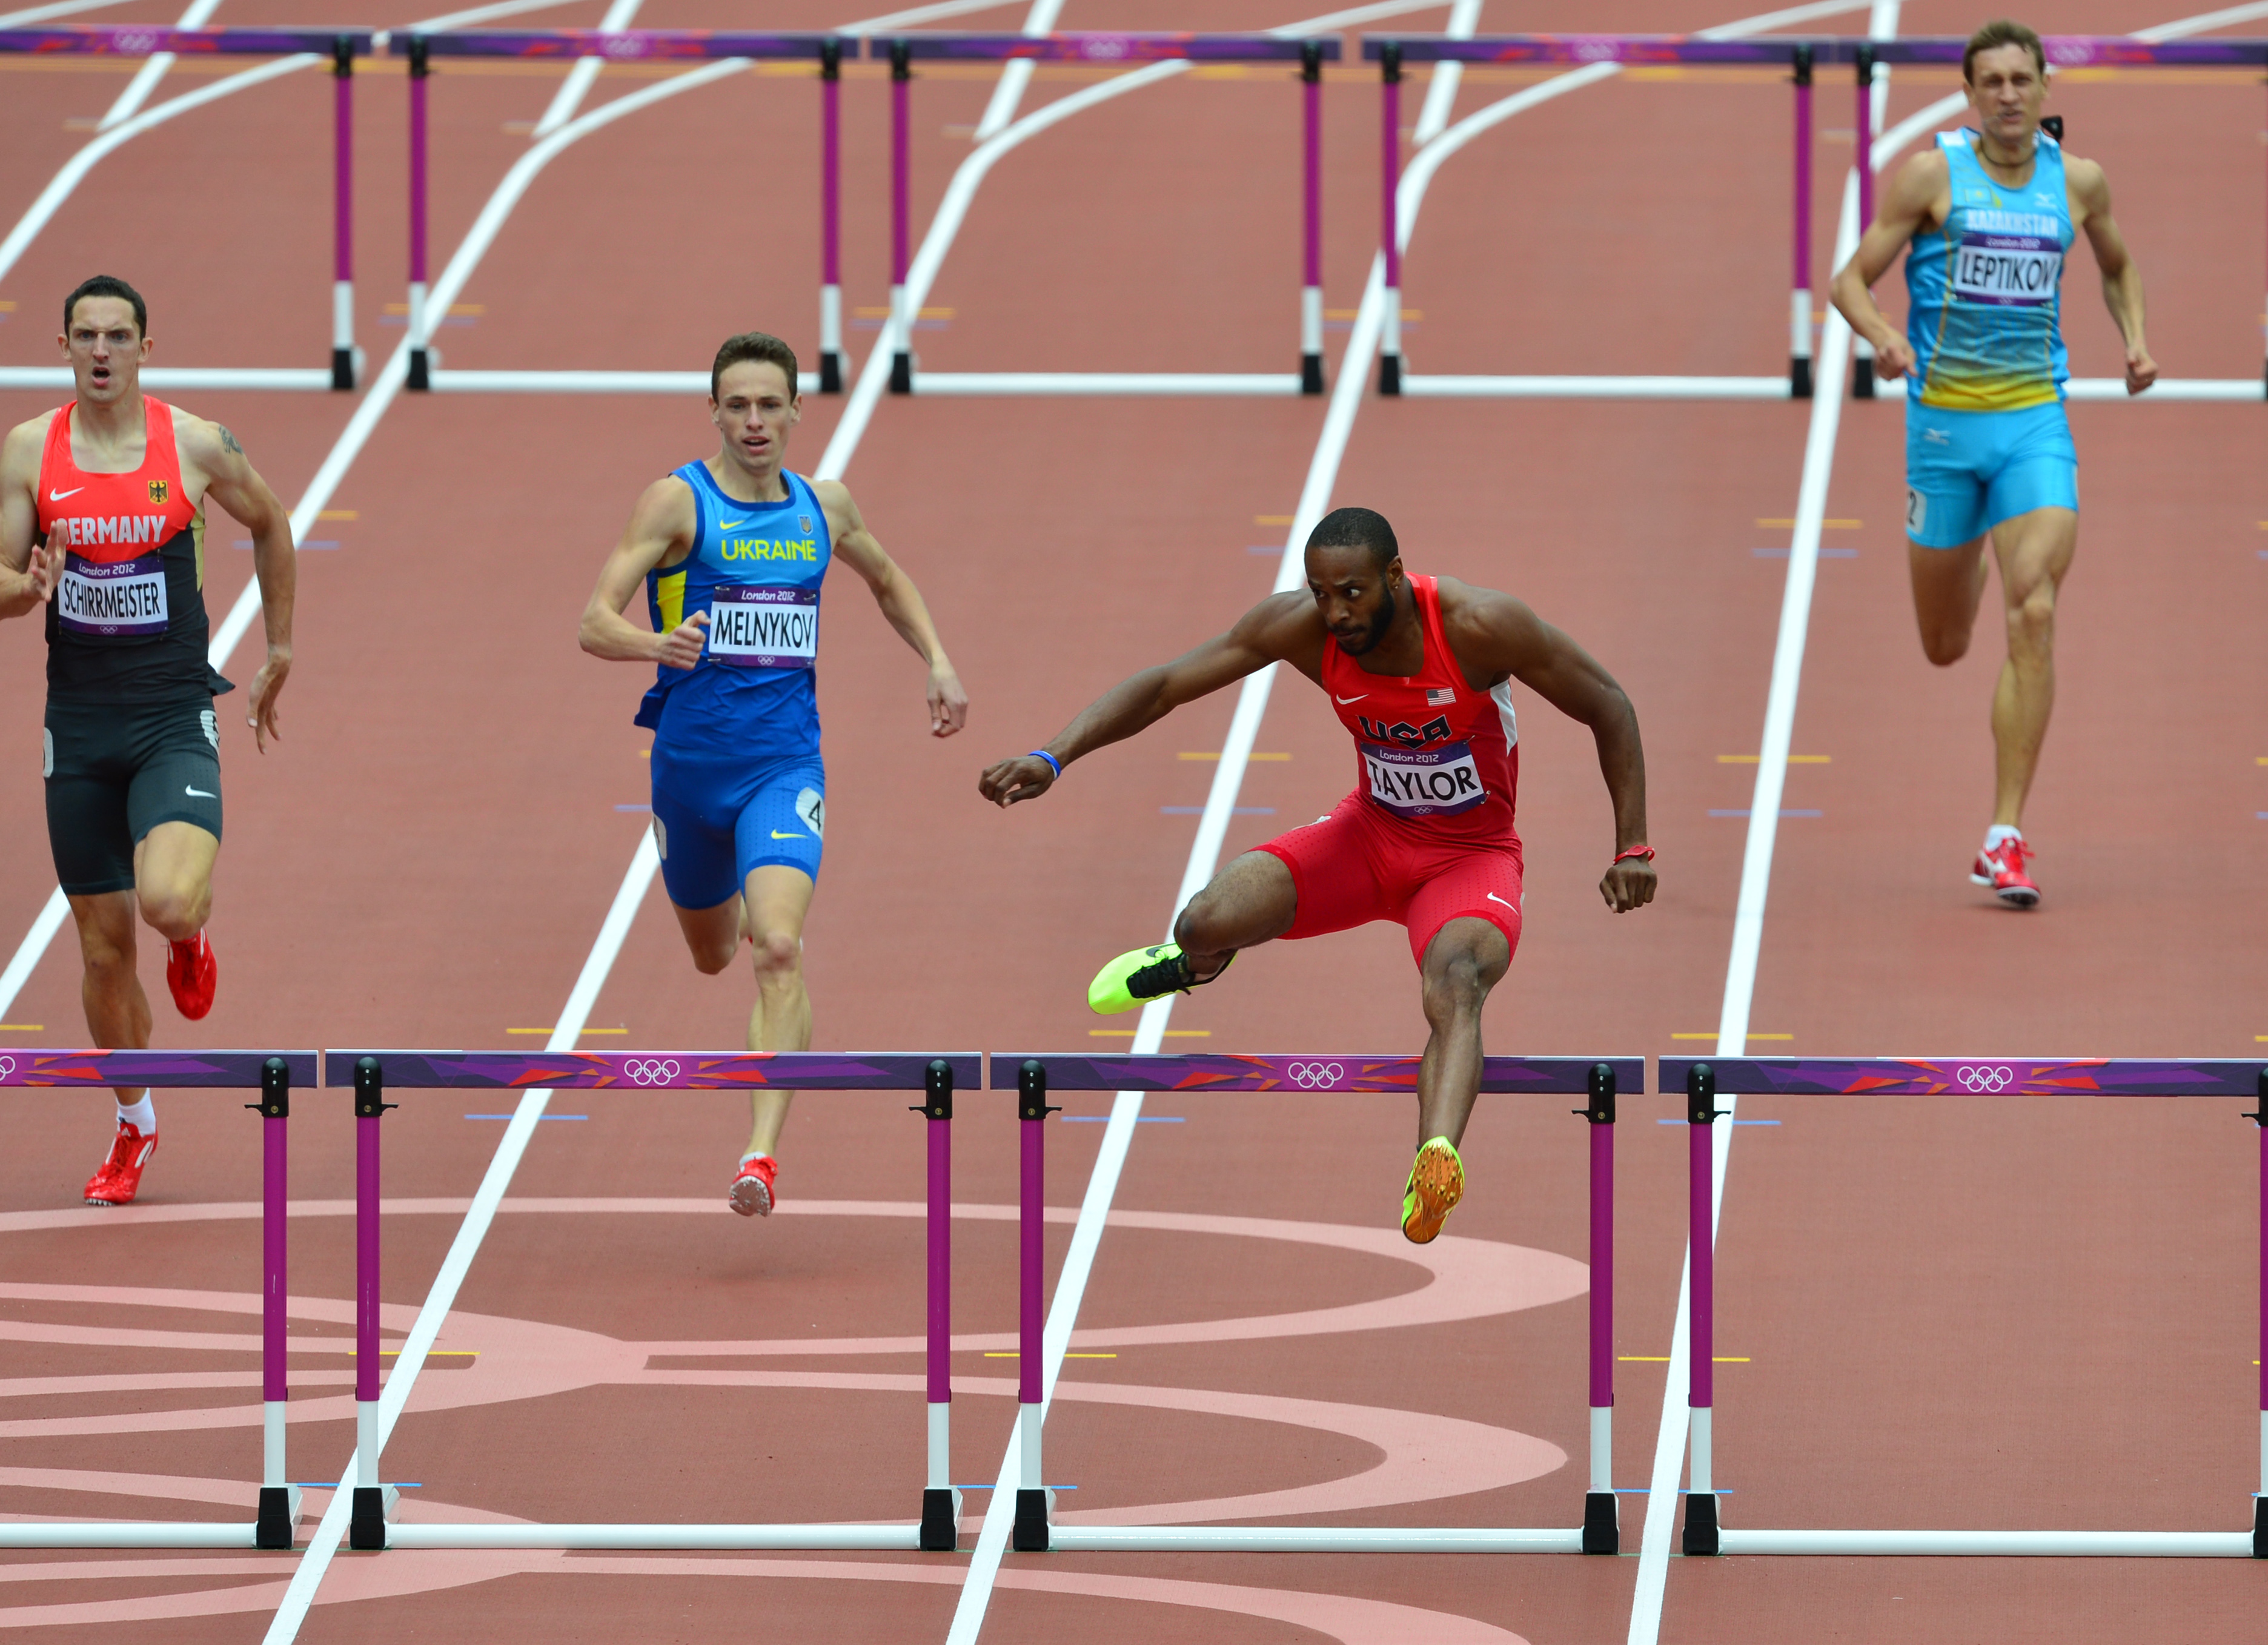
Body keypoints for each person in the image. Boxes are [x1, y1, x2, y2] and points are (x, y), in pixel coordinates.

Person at [978, 507, 1653, 1243]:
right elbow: (1168, 684)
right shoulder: (1302, 627)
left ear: (1395, 576)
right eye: (1322, 593)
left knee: (1456, 981)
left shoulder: (1479, 626)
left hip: (1469, 858)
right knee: (1203, 918)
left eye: (1354, 593)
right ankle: (1195, 964)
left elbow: (1608, 704)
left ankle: (1436, 1159)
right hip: (1369, 837)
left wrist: (1632, 848)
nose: (1337, 613)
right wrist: (1054, 755)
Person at [580, 331, 967, 1217]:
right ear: (713, 412)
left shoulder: (822, 508)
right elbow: (592, 621)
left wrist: (937, 659)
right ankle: (690, 854)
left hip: (784, 768)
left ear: (798, 411)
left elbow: (888, 577)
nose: (754, 422)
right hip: (687, 771)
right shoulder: (677, 505)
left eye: (769, 405)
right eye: (737, 405)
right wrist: (653, 643)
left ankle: (759, 1156)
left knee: (779, 945)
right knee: (715, 955)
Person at [1829, 18, 2154, 909]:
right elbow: (1848, 280)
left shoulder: (2077, 183)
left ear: (2046, 87)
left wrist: (2135, 341)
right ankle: (1972, 546)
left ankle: (2004, 835)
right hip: (1941, 438)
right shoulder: (1934, 176)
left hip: (2032, 424)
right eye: (1992, 82)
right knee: (1945, 646)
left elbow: (2119, 267)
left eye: (2023, 79)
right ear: (1970, 97)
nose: (2009, 94)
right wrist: (1885, 335)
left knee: (2037, 607)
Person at [0, 274, 297, 1206]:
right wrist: (27, 586)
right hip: (78, 725)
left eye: (116, 336)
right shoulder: (27, 453)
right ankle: (134, 1123)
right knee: (99, 952)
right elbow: (3, 582)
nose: (100, 352)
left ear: (143, 348)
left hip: (171, 713)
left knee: (166, 901)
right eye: (84, 336)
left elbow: (274, 523)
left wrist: (280, 645)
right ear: (62, 348)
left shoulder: (195, 444)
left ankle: (193, 935)